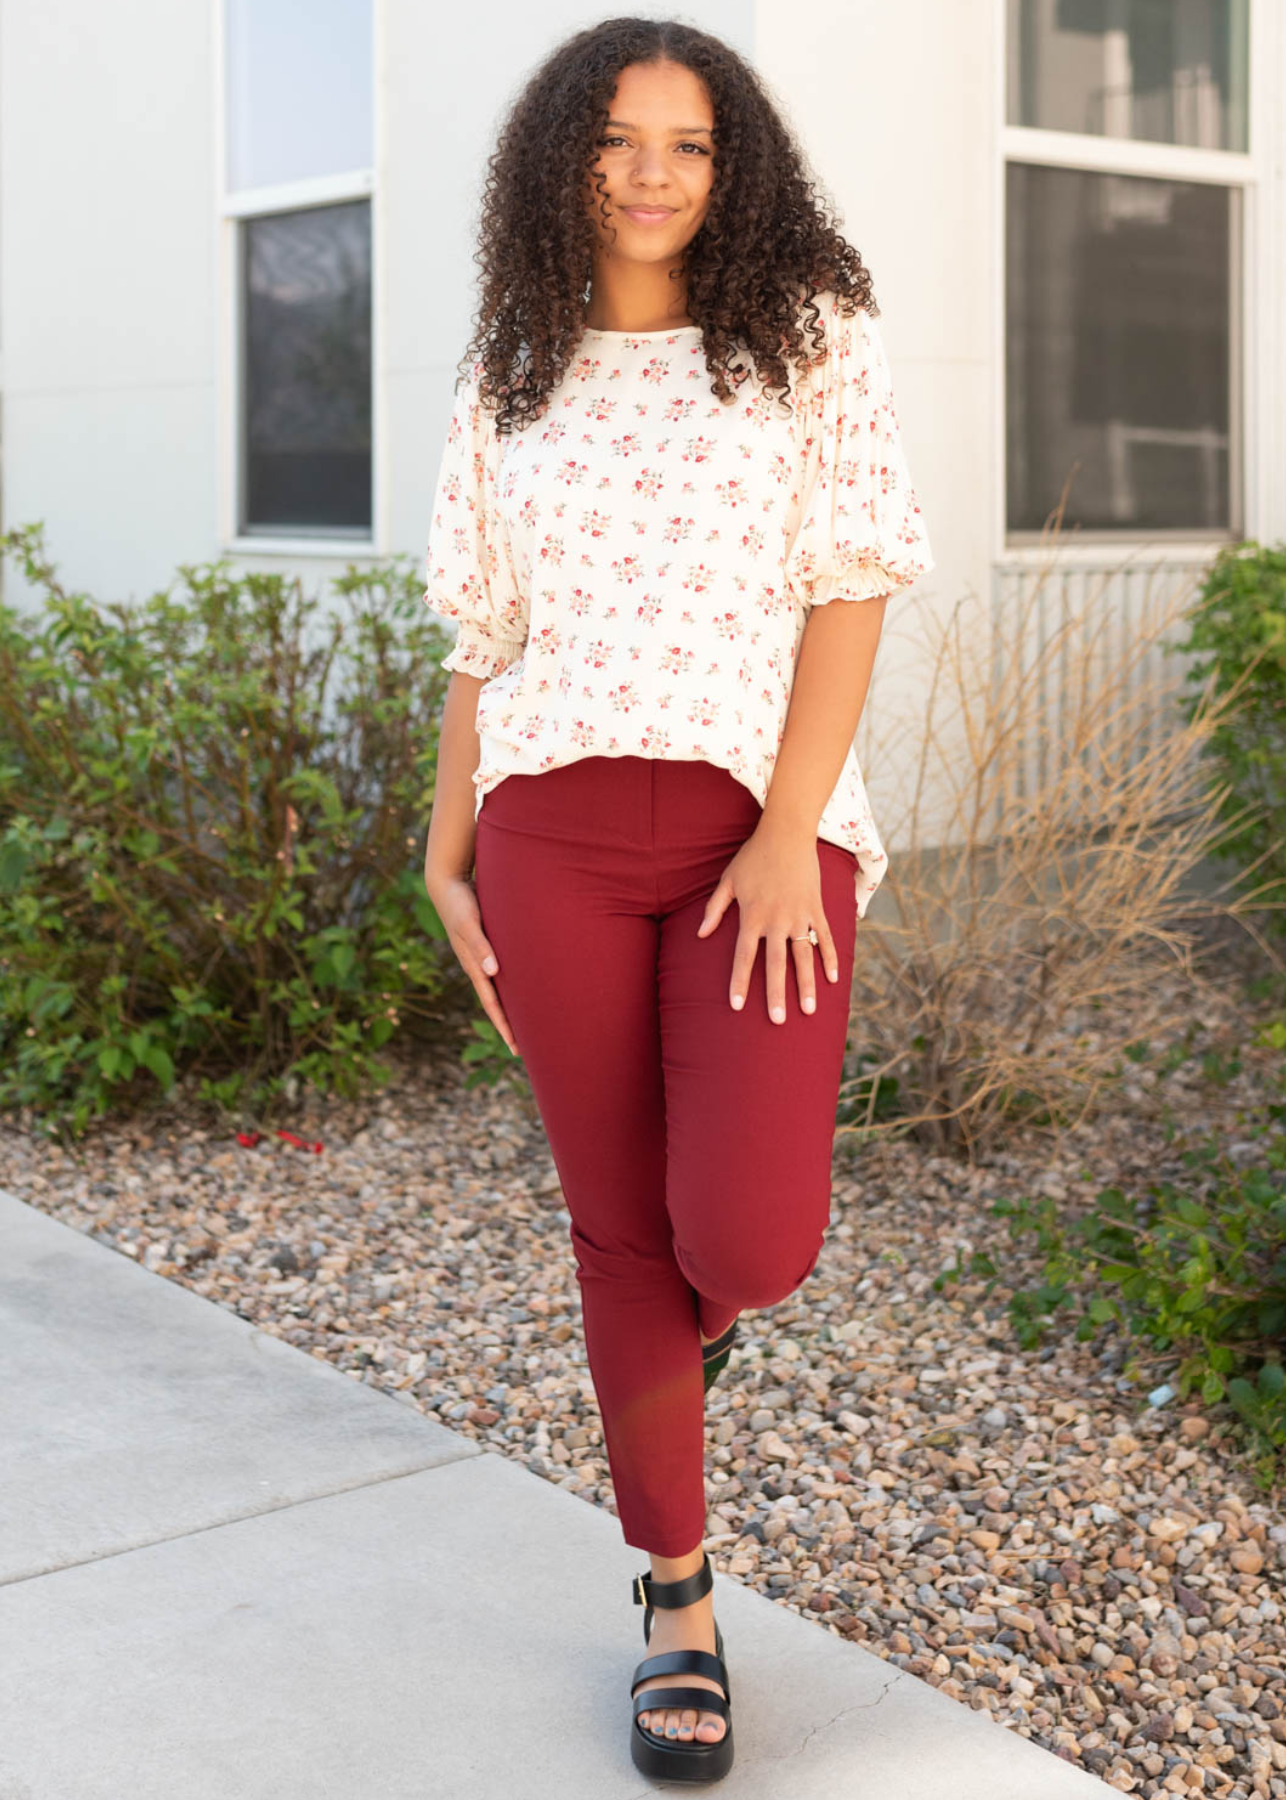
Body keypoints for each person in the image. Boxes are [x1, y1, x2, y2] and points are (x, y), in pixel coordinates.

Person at [422, 17, 933, 1784]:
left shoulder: (803, 341)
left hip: (756, 841)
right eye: (618, 139)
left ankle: (683, 1350)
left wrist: (790, 831)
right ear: (561, 157)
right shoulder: (509, 367)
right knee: (616, 1226)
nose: (651, 173)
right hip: (550, 833)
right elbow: (486, 635)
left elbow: (852, 579)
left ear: (734, 170)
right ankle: (678, 1596)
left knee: (747, 1240)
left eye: (690, 144)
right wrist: (443, 848)